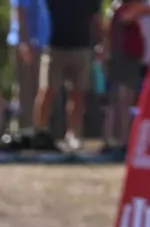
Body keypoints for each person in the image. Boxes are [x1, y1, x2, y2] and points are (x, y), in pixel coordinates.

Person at [37, 0, 102, 152]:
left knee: (78, 93)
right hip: (55, 46)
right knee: (47, 91)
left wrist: (101, 42)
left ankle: (73, 135)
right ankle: (40, 133)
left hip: (81, 47)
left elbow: (96, 17)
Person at [103, 0, 150, 150]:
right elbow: (119, 23)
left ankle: (127, 139)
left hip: (141, 60)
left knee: (129, 100)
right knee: (118, 100)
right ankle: (115, 140)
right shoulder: (118, 9)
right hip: (121, 58)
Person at [8, 0, 51, 135]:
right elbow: (20, 11)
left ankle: (36, 131)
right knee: (26, 92)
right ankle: (24, 132)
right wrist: (25, 43)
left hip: (41, 45)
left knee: (39, 91)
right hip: (28, 45)